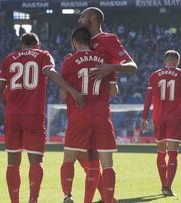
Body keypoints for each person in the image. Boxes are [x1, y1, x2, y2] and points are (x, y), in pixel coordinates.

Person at [0, 33, 84, 203]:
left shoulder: (9, 59)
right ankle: (33, 200)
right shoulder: (43, 55)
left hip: (12, 116)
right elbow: (50, 72)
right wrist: (71, 90)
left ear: (20, 45)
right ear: (38, 45)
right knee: (35, 161)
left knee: (12, 163)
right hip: (34, 116)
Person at [77, 7, 138, 202]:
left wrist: (111, 68)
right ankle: (107, 197)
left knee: (100, 158)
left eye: (82, 16)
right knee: (81, 154)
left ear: (93, 18)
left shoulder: (108, 40)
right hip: (81, 107)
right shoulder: (82, 42)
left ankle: (107, 197)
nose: (79, 20)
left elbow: (132, 66)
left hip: (98, 107)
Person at [60, 27, 118, 203]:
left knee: (69, 158)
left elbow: (64, 94)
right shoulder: (105, 60)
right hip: (101, 116)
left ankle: (68, 196)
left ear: (74, 42)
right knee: (106, 162)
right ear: (91, 43)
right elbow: (114, 91)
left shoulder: (69, 61)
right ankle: (108, 199)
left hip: (79, 116)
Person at [141, 50, 181, 196]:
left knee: (161, 153)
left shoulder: (154, 75)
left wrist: (144, 118)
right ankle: (167, 187)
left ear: (165, 61)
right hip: (175, 118)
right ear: (177, 62)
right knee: (173, 154)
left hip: (159, 118)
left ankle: (163, 184)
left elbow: (148, 99)